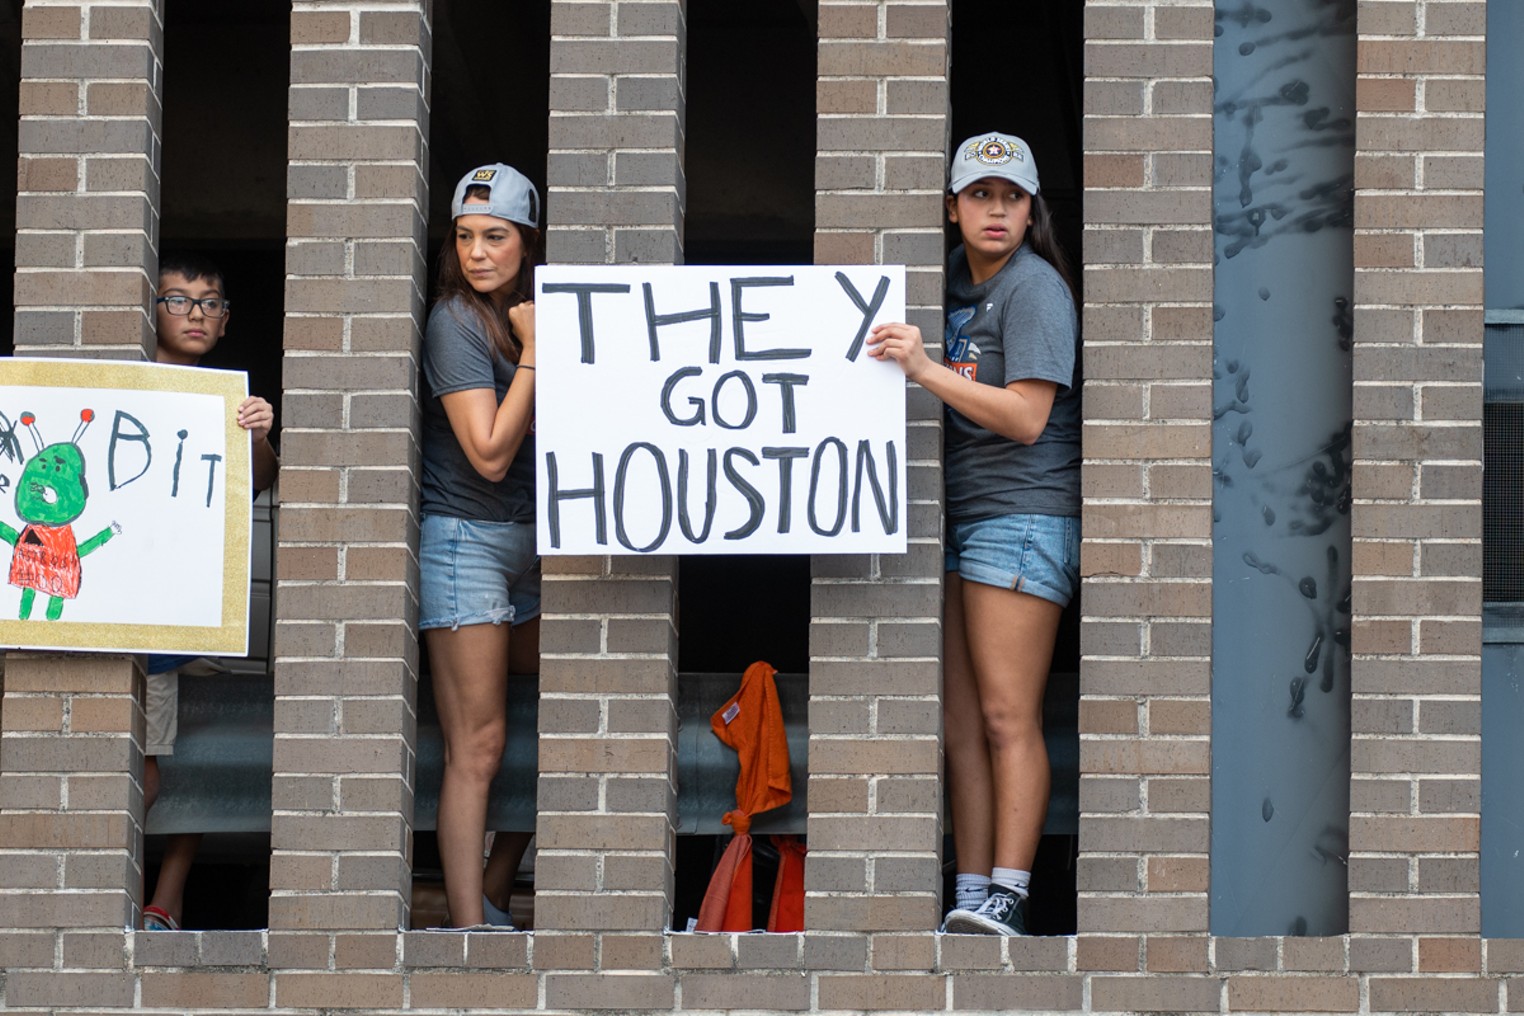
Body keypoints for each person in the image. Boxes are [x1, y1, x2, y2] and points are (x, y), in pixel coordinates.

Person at [868, 132, 1080, 936]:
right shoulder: (950, 285)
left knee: (1003, 717)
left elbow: (1027, 418)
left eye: (1013, 198)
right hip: (956, 522)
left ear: (1031, 212)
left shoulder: (1035, 291)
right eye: (981, 196)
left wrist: (923, 371)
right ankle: (970, 891)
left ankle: (1012, 891)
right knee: (957, 725)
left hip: (1022, 517)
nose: (997, 212)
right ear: (952, 207)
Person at [419, 163, 542, 929]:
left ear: (527, 243)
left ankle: (497, 892)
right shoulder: (455, 321)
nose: (477, 253)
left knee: (587, 689)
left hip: (530, 545)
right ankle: (467, 928)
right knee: (479, 744)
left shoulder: (523, 315)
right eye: (464, 237)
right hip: (465, 542)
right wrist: (536, 353)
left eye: (495, 237)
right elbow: (490, 452)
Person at [142, 251, 280, 931]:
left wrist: (259, 432)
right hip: (130, 602)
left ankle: (165, 900)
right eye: (177, 299)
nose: (195, 314)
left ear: (225, 322)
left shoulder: (228, 403)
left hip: (191, 606)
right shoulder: (127, 388)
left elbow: (257, 481)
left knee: (179, 760)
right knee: (143, 764)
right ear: (149, 310)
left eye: (210, 303)